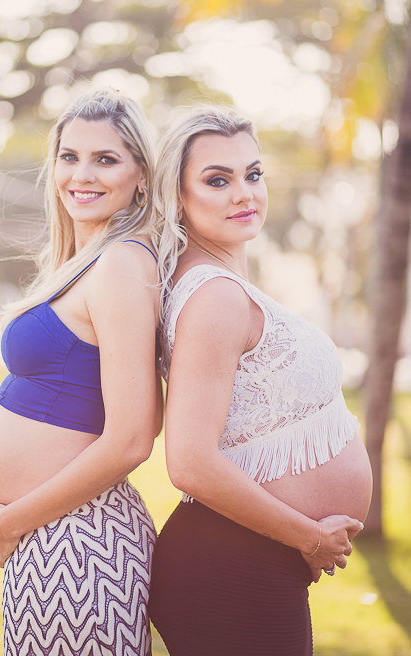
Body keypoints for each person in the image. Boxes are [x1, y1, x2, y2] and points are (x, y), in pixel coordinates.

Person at [148, 106, 372, 656]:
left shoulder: (223, 284)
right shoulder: (215, 298)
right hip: (233, 567)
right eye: (217, 180)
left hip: (249, 561)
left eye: (253, 174)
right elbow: (190, 463)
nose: (243, 193)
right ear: (177, 196)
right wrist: (309, 536)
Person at [0, 87, 161, 656]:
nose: (83, 174)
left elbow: (132, 438)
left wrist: (14, 519)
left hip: (80, 539)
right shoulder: (87, 262)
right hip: (54, 537)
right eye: (70, 156)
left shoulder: (123, 264)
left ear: (141, 176)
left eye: (106, 159)